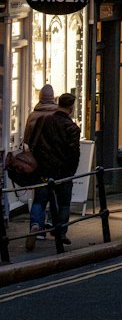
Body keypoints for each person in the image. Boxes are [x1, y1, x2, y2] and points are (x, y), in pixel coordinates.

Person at [22, 83, 59, 248]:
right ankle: (54, 225)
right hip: (57, 162)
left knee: (40, 197)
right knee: (57, 195)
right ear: (53, 97)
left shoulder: (32, 115)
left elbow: (26, 141)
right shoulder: (59, 115)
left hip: (39, 163)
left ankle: (36, 226)